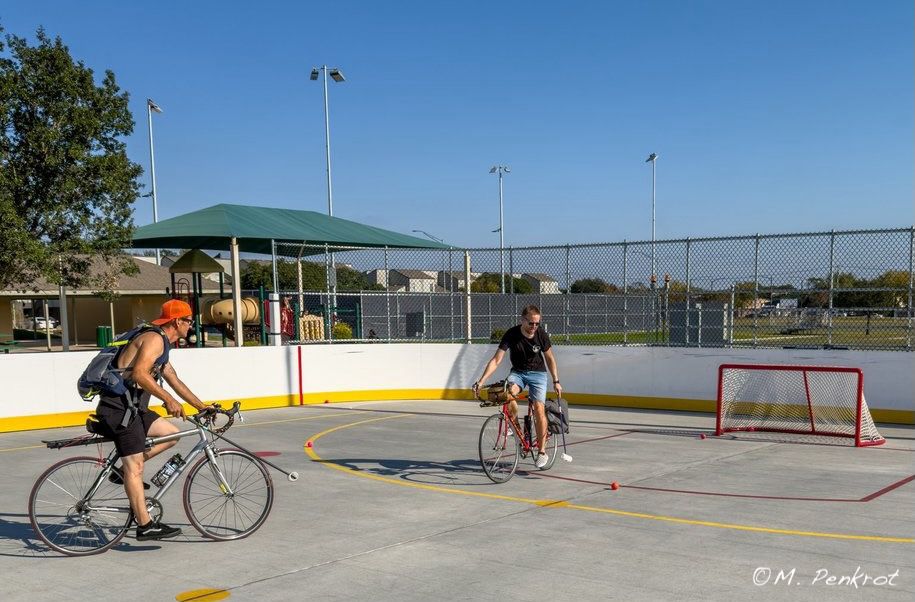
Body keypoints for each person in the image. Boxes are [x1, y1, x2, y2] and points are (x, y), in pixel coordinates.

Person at [93, 299, 211, 541]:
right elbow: (139, 373)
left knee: (172, 433)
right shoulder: (154, 339)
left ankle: (122, 472)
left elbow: (174, 380)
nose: (191, 327)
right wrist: (168, 400)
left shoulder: (162, 344)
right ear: (177, 321)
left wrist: (203, 407)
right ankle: (146, 525)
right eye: (189, 322)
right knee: (135, 469)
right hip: (119, 411)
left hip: (133, 409)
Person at [473, 305, 562, 468]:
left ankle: (542, 452)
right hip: (518, 373)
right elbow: (496, 360)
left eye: (537, 324)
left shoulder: (541, 335)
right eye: (531, 323)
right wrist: (481, 381)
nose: (534, 327)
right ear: (522, 320)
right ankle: (518, 431)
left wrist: (556, 380)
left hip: (538, 374)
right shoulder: (512, 334)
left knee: (538, 407)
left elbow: (550, 358)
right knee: (507, 394)